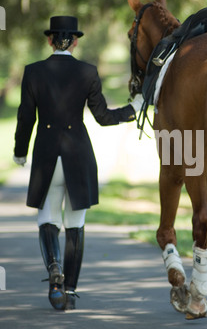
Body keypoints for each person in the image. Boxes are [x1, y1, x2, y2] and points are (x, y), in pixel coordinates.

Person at [13, 16, 143, 311]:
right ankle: (69, 290)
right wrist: (132, 109)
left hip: (47, 155)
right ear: (75, 41)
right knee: (76, 223)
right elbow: (103, 117)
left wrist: (20, 152)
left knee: (47, 218)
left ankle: (54, 272)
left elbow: (25, 118)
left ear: (49, 40)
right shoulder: (88, 72)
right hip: (78, 155)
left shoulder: (33, 72)